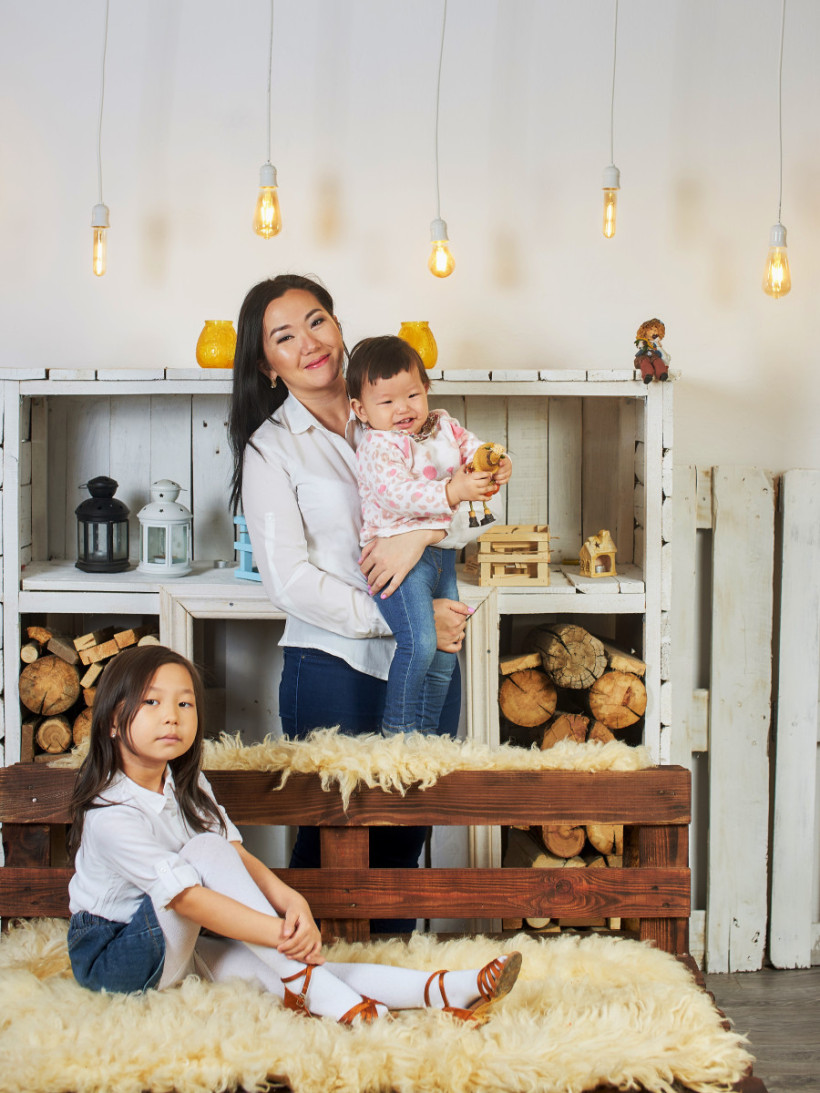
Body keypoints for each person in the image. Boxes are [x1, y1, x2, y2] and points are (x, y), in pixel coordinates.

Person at [66, 645, 522, 1025]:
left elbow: (235, 855)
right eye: (151, 702)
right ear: (111, 721)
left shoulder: (185, 783)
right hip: (116, 960)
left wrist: (290, 901)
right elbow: (186, 898)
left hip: (176, 942)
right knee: (209, 856)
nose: (172, 717)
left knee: (295, 972)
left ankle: (446, 989)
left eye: (184, 704)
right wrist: (278, 934)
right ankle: (336, 1003)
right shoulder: (110, 813)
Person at [228, 275, 496, 919]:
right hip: (334, 667)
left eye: (317, 321)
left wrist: (420, 537)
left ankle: (392, 976)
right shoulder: (271, 449)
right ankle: (312, 973)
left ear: (339, 327)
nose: (308, 342)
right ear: (267, 366)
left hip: (433, 652)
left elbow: (474, 514)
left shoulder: (408, 414)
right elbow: (288, 581)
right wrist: (404, 623)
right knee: (332, 839)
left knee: (408, 832)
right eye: (284, 337)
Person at [347, 335, 511, 734]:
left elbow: (474, 451)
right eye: (387, 401)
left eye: (412, 395)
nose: (403, 408)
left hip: (442, 556)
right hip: (400, 564)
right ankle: (398, 732)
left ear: (427, 389)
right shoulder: (377, 445)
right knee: (420, 643)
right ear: (361, 409)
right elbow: (397, 493)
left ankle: (426, 738)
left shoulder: (443, 426)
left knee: (444, 654)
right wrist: (453, 491)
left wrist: (496, 463)